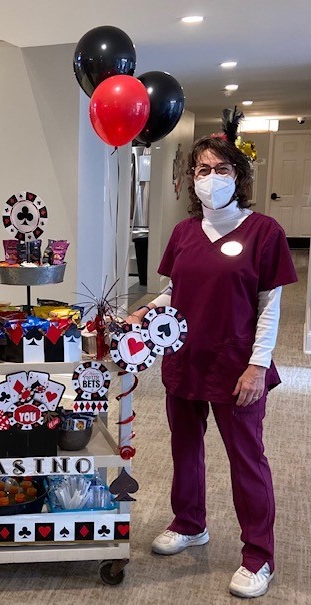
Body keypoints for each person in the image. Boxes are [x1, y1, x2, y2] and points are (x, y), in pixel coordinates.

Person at [127, 109, 297, 599]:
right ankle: (189, 522)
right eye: (202, 170)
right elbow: (175, 291)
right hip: (185, 358)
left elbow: (269, 306)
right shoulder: (183, 234)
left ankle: (258, 555)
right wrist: (144, 312)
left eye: (221, 169)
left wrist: (257, 366)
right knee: (185, 448)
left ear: (238, 176)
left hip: (236, 365)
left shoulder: (263, 232)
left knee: (247, 459)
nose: (211, 178)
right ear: (191, 179)